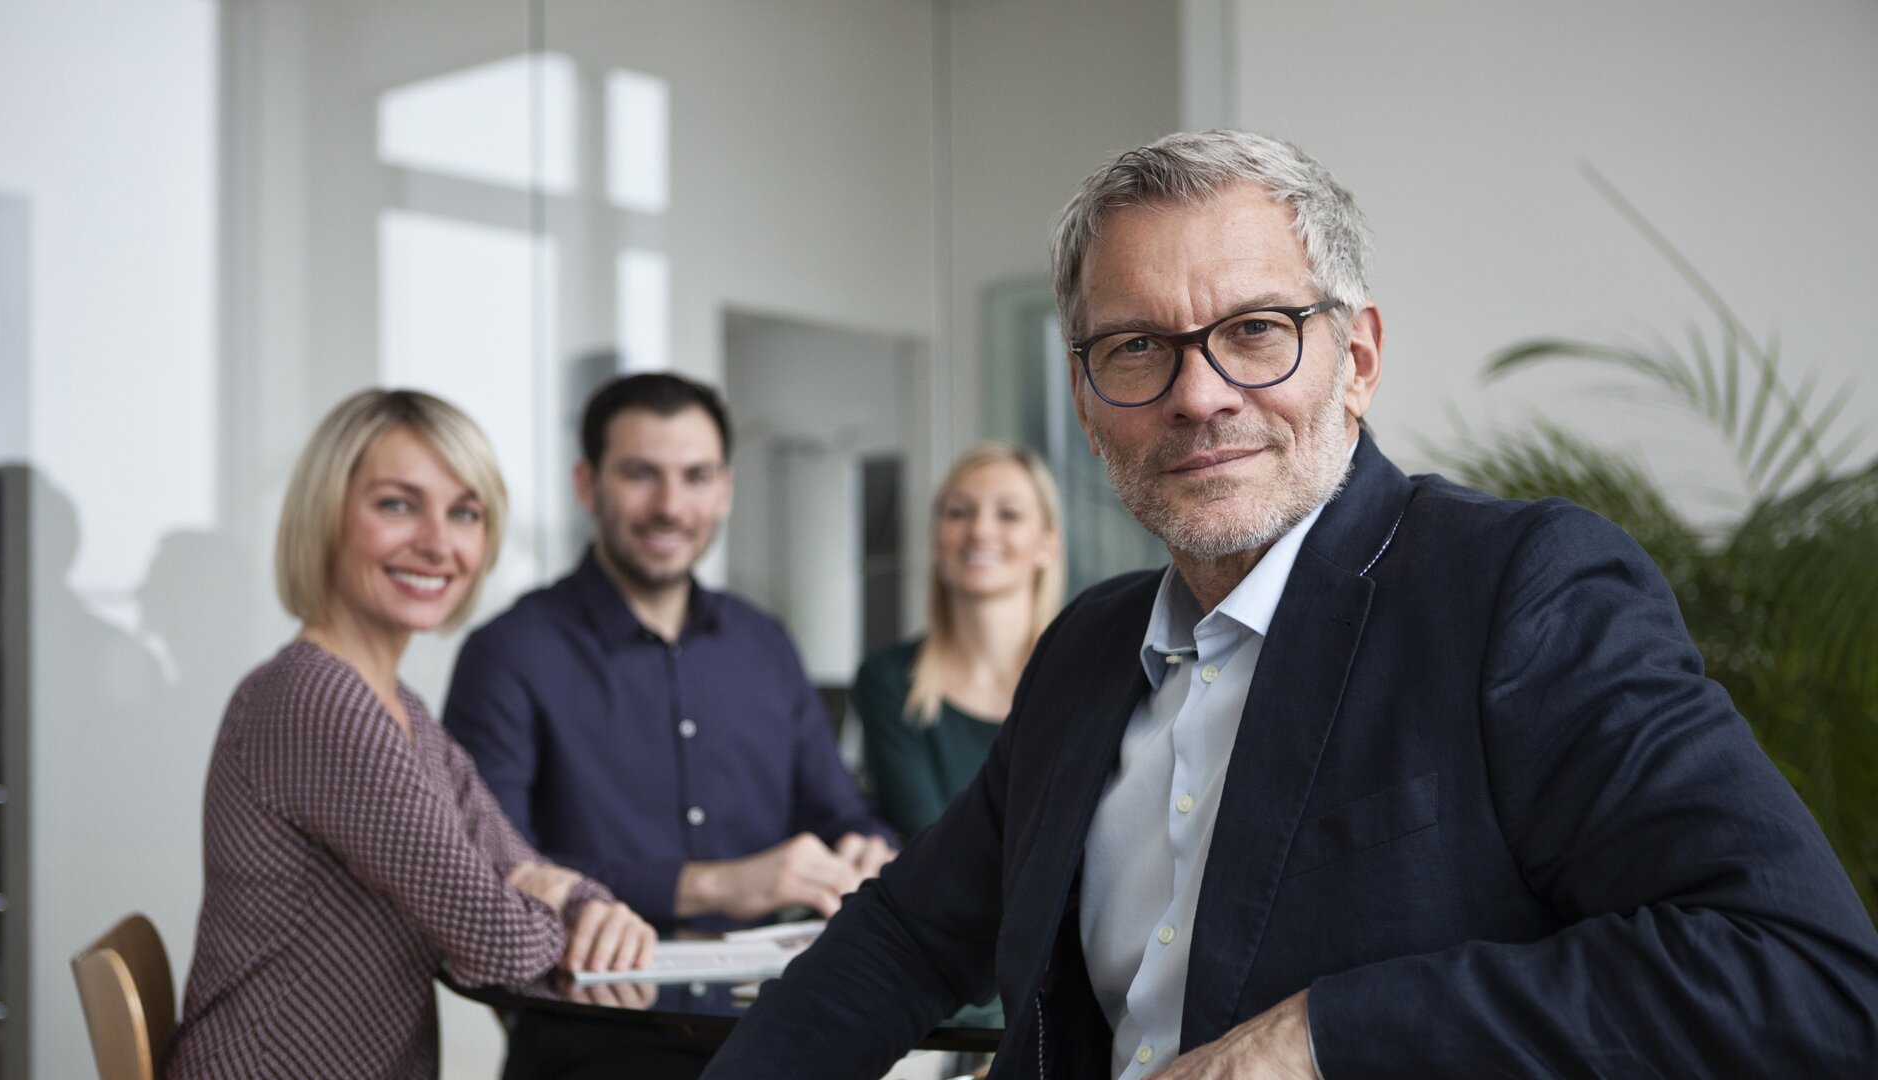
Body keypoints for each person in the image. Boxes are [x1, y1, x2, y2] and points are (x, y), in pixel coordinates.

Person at [701, 131, 1878, 1079]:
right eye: (1136, 348)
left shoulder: (1519, 590)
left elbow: (1799, 974)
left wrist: (1317, 1038)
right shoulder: (1088, 648)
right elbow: (906, 938)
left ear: (1357, 358)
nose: (1199, 395)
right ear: (1083, 394)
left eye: (1256, 332)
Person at [166, 389, 655, 1079]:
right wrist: (553, 907)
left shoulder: (402, 710)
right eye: (397, 504)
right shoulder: (316, 698)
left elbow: (511, 857)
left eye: (465, 513)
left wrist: (584, 903)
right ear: (327, 515)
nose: (437, 543)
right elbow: (495, 939)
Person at [444, 372, 894, 934]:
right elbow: (492, 870)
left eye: (697, 477)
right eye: (640, 474)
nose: (671, 506)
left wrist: (867, 851)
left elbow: (842, 815)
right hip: (590, 1015)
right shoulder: (507, 655)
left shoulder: (766, 643)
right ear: (587, 485)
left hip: (774, 1008)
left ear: (725, 490)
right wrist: (718, 885)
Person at [854, 442, 1064, 839]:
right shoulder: (889, 681)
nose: (980, 530)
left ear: (1046, 546)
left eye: (1009, 514)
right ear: (937, 540)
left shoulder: (1085, 678)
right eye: (959, 512)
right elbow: (928, 846)